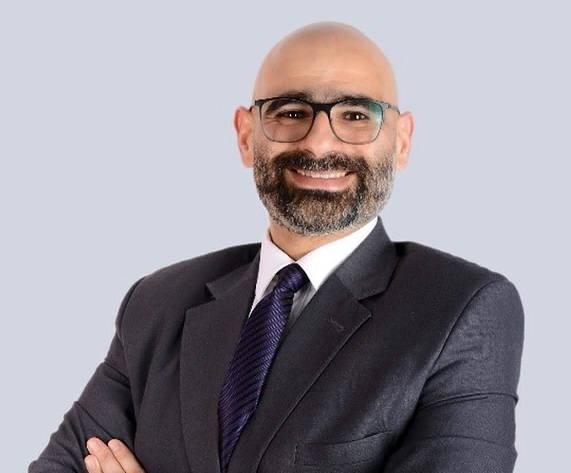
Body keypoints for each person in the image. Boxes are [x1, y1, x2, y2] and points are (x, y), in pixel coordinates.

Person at [29, 21, 524, 473]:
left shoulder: (460, 311)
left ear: (402, 141)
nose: (320, 143)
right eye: (291, 112)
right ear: (246, 136)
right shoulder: (158, 302)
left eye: (356, 114)